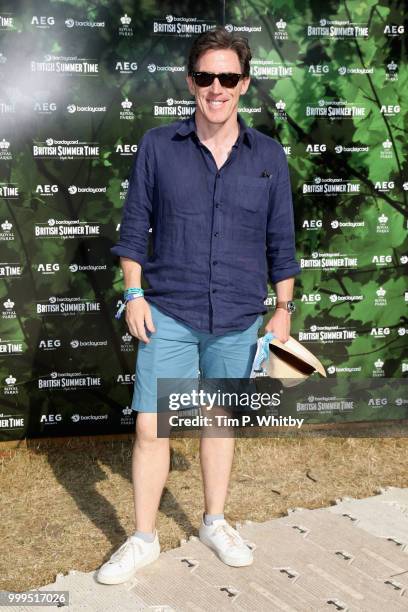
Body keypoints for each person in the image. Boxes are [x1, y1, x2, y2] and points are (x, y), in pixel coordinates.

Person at [97, 26, 300, 585]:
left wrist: (282, 308)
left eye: (228, 77)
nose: (217, 87)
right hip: (170, 312)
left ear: (245, 83)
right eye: (206, 76)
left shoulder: (268, 155)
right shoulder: (159, 146)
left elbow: (281, 240)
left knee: (218, 424)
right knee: (150, 430)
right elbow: (134, 228)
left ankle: (214, 522)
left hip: (237, 317)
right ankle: (142, 539)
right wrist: (133, 293)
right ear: (191, 81)